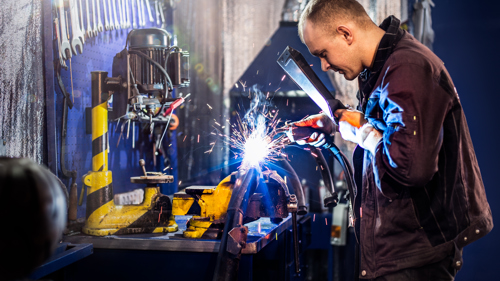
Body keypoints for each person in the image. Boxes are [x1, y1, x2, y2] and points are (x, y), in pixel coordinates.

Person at [293, 0, 493, 280]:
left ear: (346, 33)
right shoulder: (383, 69)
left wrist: (359, 129)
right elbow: (390, 130)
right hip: (396, 254)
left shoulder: (408, 68)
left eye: (323, 53)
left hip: (413, 260)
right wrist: (336, 124)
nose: (324, 65)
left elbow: (410, 167)